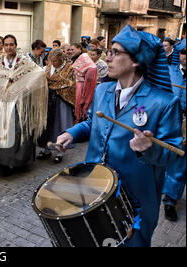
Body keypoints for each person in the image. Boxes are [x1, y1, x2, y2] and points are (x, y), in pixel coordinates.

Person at [55, 25, 183, 247]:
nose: (108, 57)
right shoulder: (102, 90)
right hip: (95, 188)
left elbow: (172, 154)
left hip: (136, 199)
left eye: (115, 52)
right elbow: (93, 122)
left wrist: (148, 148)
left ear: (135, 61)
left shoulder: (163, 102)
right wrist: (71, 132)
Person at [0, 34, 48, 173]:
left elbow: (38, 73)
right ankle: (2, 161)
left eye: (11, 44)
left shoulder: (23, 60)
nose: (9, 47)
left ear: (16, 46)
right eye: (6, 45)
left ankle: (15, 161)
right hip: (1, 101)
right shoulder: (2, 61)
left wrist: (24, 89)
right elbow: (1, 80)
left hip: (17, 103)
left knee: (15, 131)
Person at [36, 48, 76, 164]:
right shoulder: (48, 68)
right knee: (47, 126)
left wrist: (52, 85)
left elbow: (70, 84)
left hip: (62, 101)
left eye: (55, 61)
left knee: (61, 126)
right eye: (50, 61)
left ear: (61, 59)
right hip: (48, 100)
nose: (52, 63)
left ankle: (60, 152)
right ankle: (46, 150)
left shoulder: (69, 69)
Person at [162, 39, 186, 221]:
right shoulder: (168, 74)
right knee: (178, 163)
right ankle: (169, 200)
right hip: (174, 126)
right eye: (184, 52)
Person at [69, 43, 97, 123]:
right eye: (70, 50)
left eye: (73, 49)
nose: (71, 51)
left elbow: (92, 70)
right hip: (75, 88)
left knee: (78, 113)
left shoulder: (85, 58)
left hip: (80, 89)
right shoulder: (75, 58)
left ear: (79, 49)